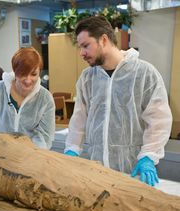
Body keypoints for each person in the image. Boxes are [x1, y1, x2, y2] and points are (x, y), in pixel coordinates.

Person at [64, 16, 172, 186]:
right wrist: (72, 148)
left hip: (133, 170)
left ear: (104, 40)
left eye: (86, 46)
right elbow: (79, 119)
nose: (81, 53)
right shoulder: (88, 78)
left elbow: (159, 120)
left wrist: (148, 156)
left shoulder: (144, 73)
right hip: (97, 170)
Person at [0, 47, 55, 149]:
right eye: (23, 74)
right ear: (15, 71)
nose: (28, 80)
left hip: (31, 156)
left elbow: (45, 135)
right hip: (1, 152)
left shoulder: (45, 98)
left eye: (33, 74)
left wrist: (32, 154)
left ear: (39, 72)